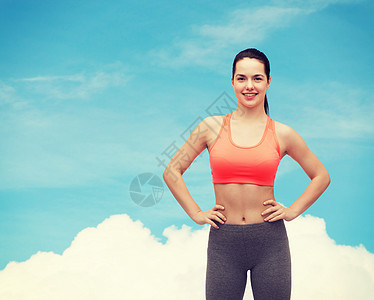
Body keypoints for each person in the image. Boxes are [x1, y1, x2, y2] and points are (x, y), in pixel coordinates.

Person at [162, 48, 330, 300]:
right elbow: (171, 170)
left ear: (268, 82)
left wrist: (293, 211)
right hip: (223, 242)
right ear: (232, 82)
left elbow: (321, 176)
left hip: (269, 242)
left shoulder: (283, 133)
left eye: (257, 78)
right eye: (241, 78)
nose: (249, 86)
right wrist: (196, 213)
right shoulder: (210, 127)